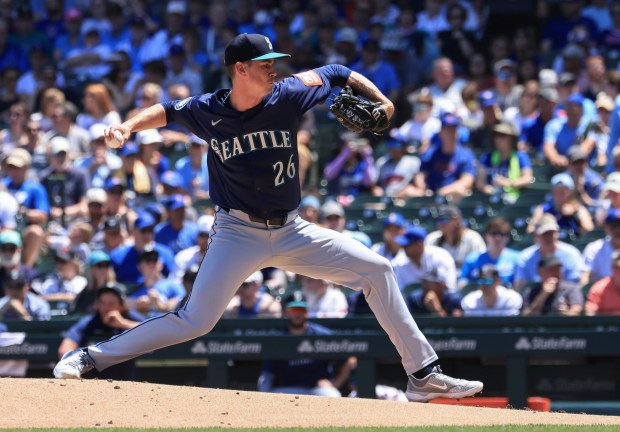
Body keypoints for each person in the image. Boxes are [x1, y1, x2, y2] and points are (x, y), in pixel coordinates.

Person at [54, 33, 482, 402]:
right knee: (195, 321)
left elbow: (337, 71)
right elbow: (166, 110)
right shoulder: (208, 109)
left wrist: (384, 103)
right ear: (240, 69)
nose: (275, 68)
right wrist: (127, 128)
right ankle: (89, 357)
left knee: (377, 269)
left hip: (292, 229)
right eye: (265, 63)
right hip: (236, 232)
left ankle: (423, 376)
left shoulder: (290, 93)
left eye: (275, 62)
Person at [257, 294, 356, 397]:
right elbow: (267, 373)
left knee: (332, 395)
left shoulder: (321, 334)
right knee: (269, 397)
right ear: (286, 312)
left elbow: (350, 359)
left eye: (302, 309)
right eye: (294, 309)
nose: (298, 313)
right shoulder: (279, 339)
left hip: (317, 389)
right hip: (288, 389)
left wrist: (335, 384)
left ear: (307, 312)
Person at [57, 283, 143, 380]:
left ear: (122, 305)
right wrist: (71, 366)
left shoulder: (129, 317)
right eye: (102, 303)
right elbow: (65, 348)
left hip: (126, 383)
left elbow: (149, 331)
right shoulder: (91, 321)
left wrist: (123, 323)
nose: (106, 308)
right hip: (93, 384)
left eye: (111, 304)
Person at [391, 225, 458, 292]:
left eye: (407, 245)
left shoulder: (440, 257)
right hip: (411, 302)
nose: (404, 248)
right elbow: (400, 292)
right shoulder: (401, 263)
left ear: (419, 244)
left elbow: (450, 289)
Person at [460, 217, 520, 289]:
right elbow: (463, 283)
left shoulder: (518, 258)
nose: (498, 238)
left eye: (502, 234)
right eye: (494, 233)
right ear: (486, 236)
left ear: (508, 237)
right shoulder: (473, 259)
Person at [424, 205, 486, 274]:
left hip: (465, 280)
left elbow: (481, 264)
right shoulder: (432, 238)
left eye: (445, 219)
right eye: (438, 220)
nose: (441, 223)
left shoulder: (472, 238)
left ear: (458, 220)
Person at [585, 250, 620, 315]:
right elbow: (590, 314)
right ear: (612, 268)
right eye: (619, 268)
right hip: (608, 324)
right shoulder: (600, 288)